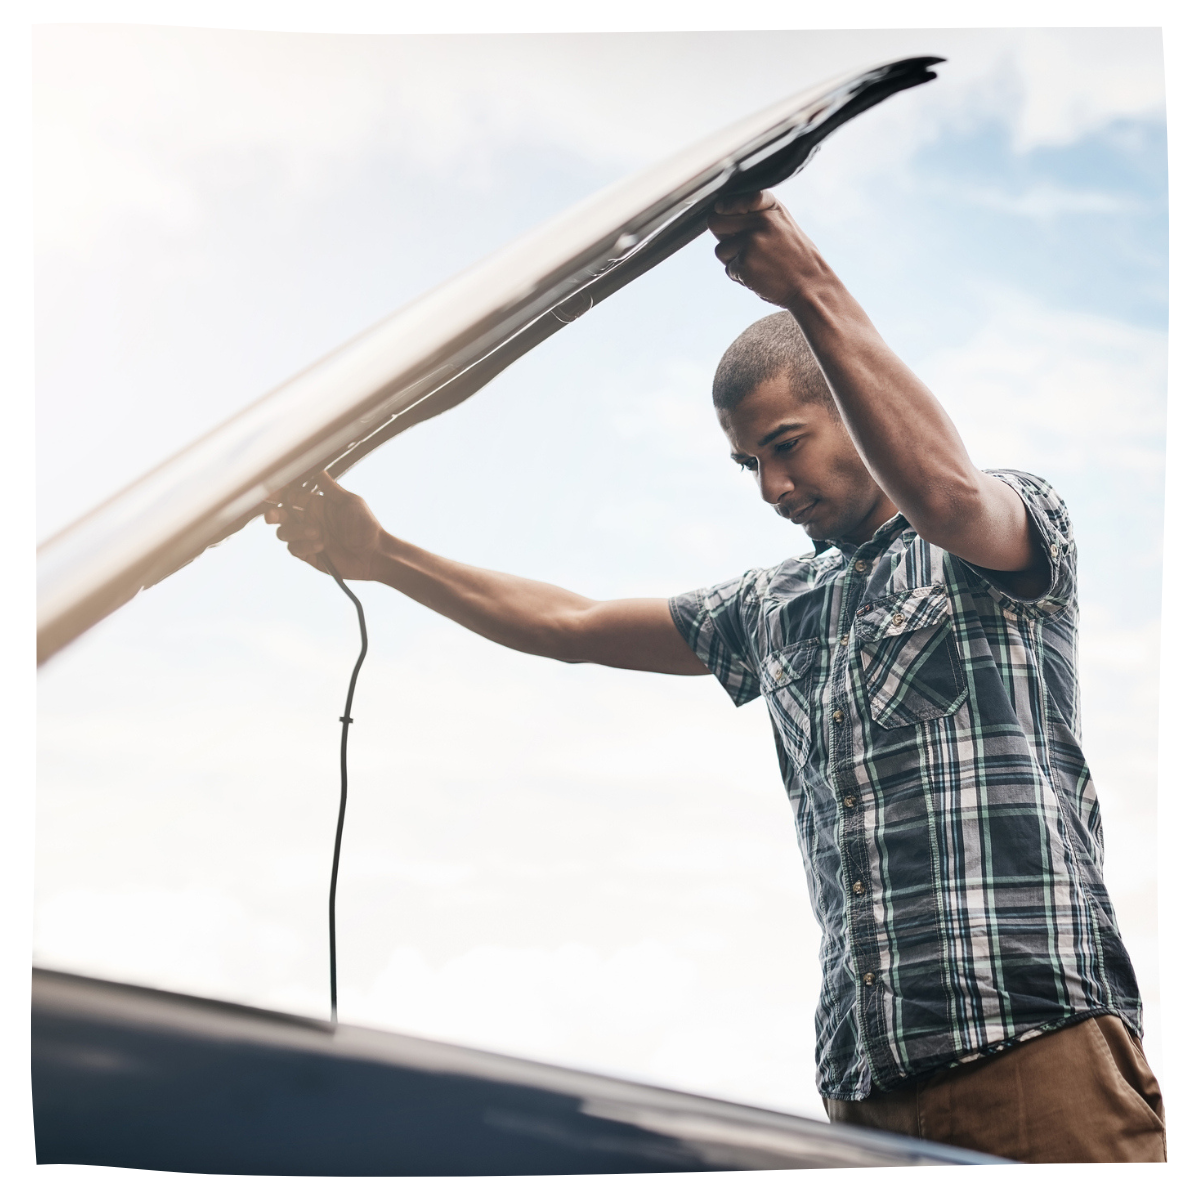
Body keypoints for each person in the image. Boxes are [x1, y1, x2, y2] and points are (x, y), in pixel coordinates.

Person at [268, 190, 1164, 1164]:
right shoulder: (776, 607)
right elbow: (568, 624)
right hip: (866, 1092)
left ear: (852, 407)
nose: (774, 488)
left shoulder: (1000, 538)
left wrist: (810, 286)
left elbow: (947, 496)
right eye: (749, 466)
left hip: (1036, 1056)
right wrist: (382, 555)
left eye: (787, 447)